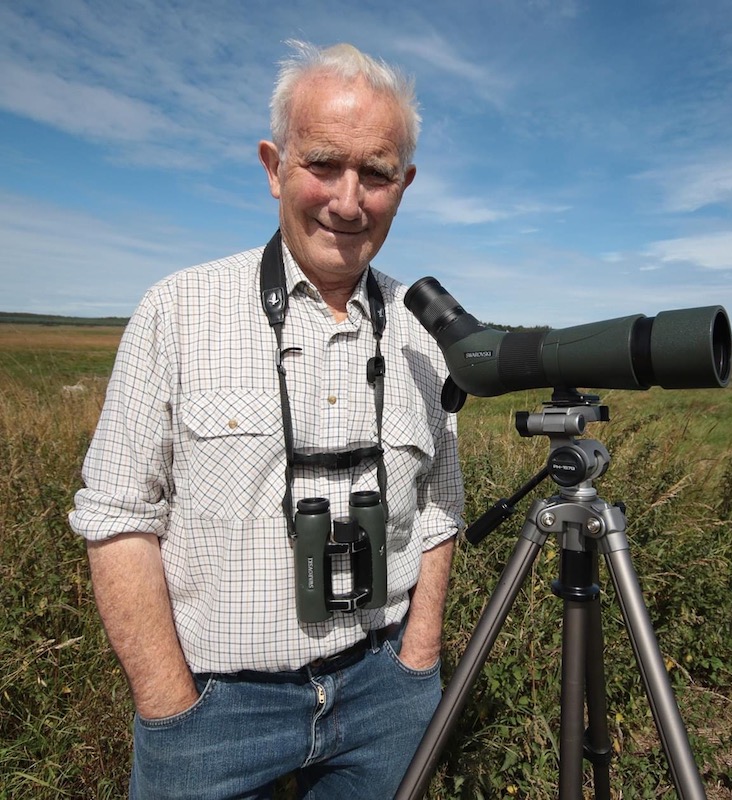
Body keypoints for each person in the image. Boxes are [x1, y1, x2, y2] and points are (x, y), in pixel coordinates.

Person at [69, 40, 463, 800]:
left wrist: (419, 657)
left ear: (403, 184)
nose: (348, 200)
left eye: (376, 172)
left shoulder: (422, 332)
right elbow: (117, 516)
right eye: (323, 163)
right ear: (273, 166)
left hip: (386, 691)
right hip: (216, 708)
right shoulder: (178, 311)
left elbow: (442, 504)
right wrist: (169, 705)